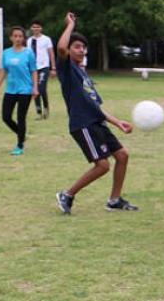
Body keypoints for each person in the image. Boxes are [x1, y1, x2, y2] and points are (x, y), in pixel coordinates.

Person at [54, 12, 138, 214]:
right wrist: (70, 25)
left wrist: (118, 122)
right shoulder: (66, 68)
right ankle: (67, 194)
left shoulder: (83, 74)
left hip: (96, 122)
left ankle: (114, 200)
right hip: (82, 124)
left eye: (83, 47)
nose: (81, 50)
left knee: (123, 156)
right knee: (102, 165)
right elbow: (61, 48)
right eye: (77, 46)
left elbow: (96, 106)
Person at [0, 26, 38, 155]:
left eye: (20, 36)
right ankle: (22, 134)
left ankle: (19, 145)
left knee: (20, 117)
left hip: (25, 90)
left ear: (23, 38)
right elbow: (3, 71)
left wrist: (35, 87)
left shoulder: (28, 53)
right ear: (11, 37)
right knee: (6, 117)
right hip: (10, 90)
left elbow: (34, 71)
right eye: (15, 36)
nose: (18, 38)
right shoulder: (6, 53)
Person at [26, 20, 56, 119]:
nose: (36, 29)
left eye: (37, 27)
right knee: (35, 90)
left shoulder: (46, 39)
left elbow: (51, 53)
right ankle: (39, 112)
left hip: (44, 67)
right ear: (31, 28)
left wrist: (53, 68)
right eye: (34, 27)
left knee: (41, 89)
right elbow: (28, 55)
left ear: (41, 28)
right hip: (33, 68)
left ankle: (46, 109)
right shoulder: (29, 40)